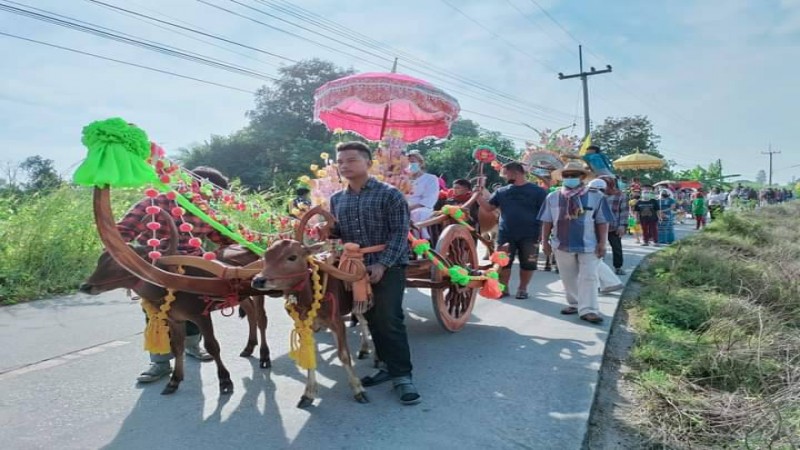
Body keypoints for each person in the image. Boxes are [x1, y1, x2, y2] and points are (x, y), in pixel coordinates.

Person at [117, 166, 234, 383]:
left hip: (192, 272)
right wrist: (131, 261)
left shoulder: (205, 211)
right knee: (158, 313)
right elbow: (121, 233)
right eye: (211, 192)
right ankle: (160, 362)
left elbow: (228, 239)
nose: (211, 198)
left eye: (214, 195)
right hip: (156, 271)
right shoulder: (153, 204)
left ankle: (192, 347)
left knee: (195, 309)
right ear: (194, 185)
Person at [325, 141, 420, 405]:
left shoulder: (389, 195)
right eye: (340, 161)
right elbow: (338, 234)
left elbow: (400, 234)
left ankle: (403, 376)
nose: (344, 165)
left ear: (368, 163)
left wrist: (382, 264)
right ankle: (387, 367)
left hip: (387, 266)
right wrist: (327, 233)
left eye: (351, 160)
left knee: (389, 318)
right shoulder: (336, 200)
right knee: (369, 317)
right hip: (353, 268)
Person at [538, 162, 612, 324]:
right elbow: (546, 221)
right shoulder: (553, 197)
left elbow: (602, 222)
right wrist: (545, 242)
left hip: (589, 244)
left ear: (582, 177)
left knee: (589, 277)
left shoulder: (596, 196)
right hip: (561, 243)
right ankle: (575, 303)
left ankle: (589, 310)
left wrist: (602, 243)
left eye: (574, 175)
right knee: (568, 277)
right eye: (566, 175)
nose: (570, 178)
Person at [476, 162, 548, 299]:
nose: (504, 176)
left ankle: (522, 288)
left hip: (530, 233)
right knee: (503, 262)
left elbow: (545, 214)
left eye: (505, 173)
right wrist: (478, 197)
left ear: (516, 172)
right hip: (506, 233)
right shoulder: (502, 191)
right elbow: (489, 208)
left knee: (528, 263)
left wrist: (543, 235)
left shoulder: (538, 192)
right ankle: (504, 288)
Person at [406, 151, 440, 239]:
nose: (410, 165)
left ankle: (419, 241)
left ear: (420, 163)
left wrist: (409, 208)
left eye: (412, 162)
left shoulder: (431, 178)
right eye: (407, 162)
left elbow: (429, 199)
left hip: (422, 208)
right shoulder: (402, 178)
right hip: (403, 206)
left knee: (417, 214)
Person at [598, 176, 629, 275]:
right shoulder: (597, 194)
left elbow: (624, 211)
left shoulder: (621, 196)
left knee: (616, 248)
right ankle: (598, 268)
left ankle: (618, 267)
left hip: (613, 226)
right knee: (597, 247)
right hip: (598, 227)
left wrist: (622, 226)